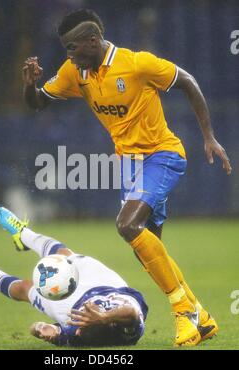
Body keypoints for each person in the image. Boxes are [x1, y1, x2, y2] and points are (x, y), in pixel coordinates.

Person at [22, 9, 232, 346]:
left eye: (73, 48)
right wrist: (30, 85)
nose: (69, 56)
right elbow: (38, 103)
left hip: (163, 154)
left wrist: (209, 136)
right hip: (129, 165)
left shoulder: (137, 64)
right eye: (66, 50)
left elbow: (188, 81)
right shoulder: (76, 72)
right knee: (148, 249)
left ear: (93, 41)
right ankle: (201, 318)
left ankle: (183, 312)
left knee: (127, 225)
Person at [0, 207, 148, 347]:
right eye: (83, 327)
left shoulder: (73, 333)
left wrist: (42, 329)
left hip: (69, 304)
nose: (79, 329)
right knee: (64, 255)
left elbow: (44, 331)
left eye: (79, 330)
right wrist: (104, 316)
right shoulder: (128, 333)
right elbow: (131, 313)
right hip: (112, 286)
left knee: (25, 289)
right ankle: (23, 234)